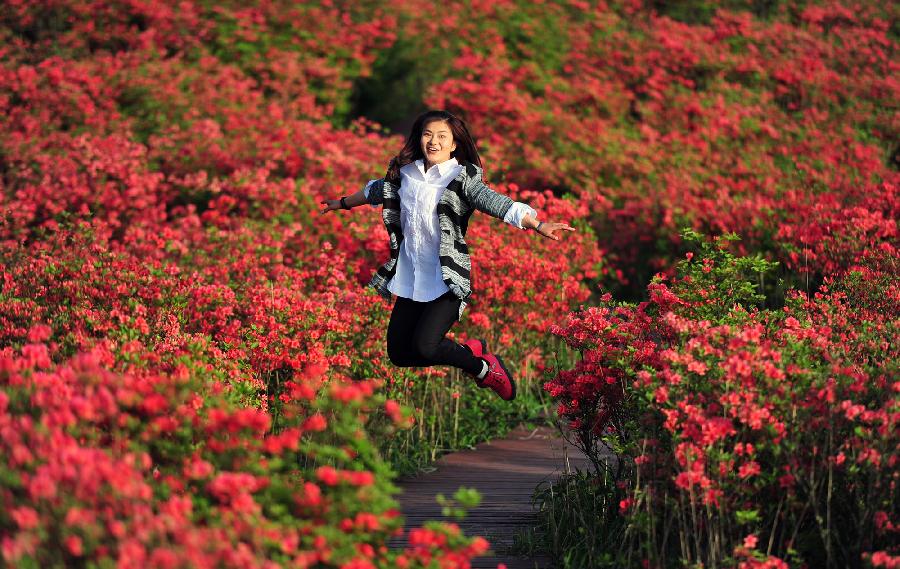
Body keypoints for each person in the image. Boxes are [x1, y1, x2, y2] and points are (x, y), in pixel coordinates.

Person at [321, 110, 575, 401]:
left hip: (445, 278)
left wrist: (537, 223)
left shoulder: (461, 179)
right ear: (419, 139)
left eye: (442, 137)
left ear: (454, 144)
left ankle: (482, 368)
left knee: (426, 347)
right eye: (428, 134)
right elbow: (372, 192)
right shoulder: (403, 174)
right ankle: (471, 353)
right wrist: (341, 203)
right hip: (412, 275)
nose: (434, 142)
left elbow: (495, 202)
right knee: (400, 354)